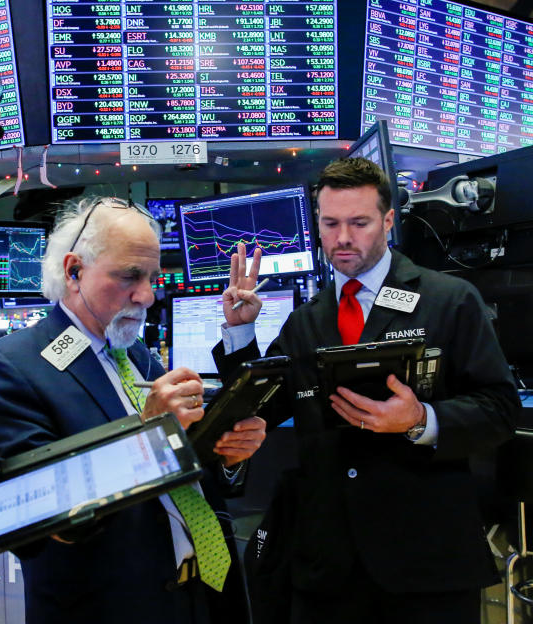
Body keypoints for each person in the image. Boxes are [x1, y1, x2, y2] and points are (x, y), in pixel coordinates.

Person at [214, 158, 520, 624]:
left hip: (425, 566)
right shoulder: (306, 321)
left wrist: (421, 421)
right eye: (330, 223)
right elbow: (261, 409)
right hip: (327, 571)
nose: (342, 238)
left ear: (388, 220)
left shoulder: (450, 301)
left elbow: (499, 408)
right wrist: (239, 334)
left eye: (359, 223)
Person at [0, 197, 267, 624]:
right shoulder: (15, 365)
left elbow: (184, 471)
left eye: (151, 276)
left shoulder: (136, 355)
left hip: (200, 596)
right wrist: (147, 435)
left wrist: (228, 459)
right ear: (74, 271)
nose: (147, 296)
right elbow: (35, 521)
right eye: (130, 276)